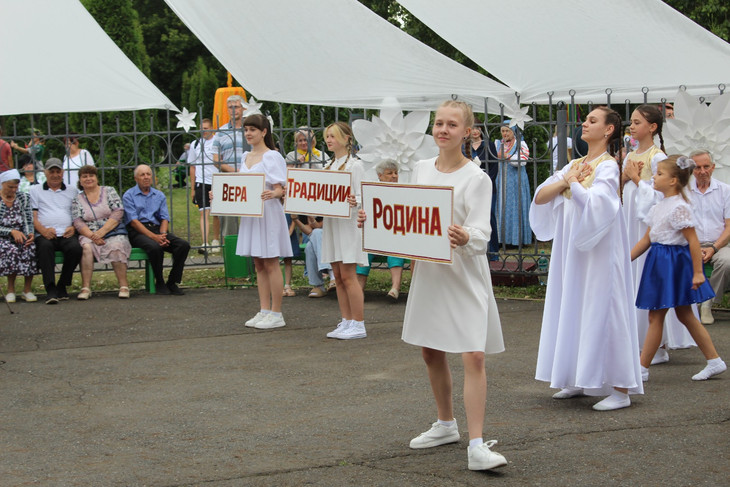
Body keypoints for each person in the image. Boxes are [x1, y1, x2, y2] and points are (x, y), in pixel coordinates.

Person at [359, 100, 506, 471]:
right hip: (430, 274)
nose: (443, 129)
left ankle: (476, 444)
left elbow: (482, 233)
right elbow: (408, 215)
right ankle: (445, 424)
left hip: (465, 274)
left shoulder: (477, 177)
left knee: (473, 354)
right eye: (439, 123)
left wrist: (465, 236)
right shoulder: (421, 168)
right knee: (431, 352)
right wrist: (373, 218)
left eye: (452, 124)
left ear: (467, 131)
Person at [530, 107, 643, 411]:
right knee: (575, 304)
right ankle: (576, 378)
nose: (585, 123)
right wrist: (567, 180)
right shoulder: (575, 164)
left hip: (601, 250)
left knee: (606, 307)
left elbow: (602, 206)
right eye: (586, 119)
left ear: (608, 130)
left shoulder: (607, 167)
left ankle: (621, 389)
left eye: (592, 120)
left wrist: (573, 184)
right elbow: (541, 196)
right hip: (574, 249)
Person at [631, 155, 726, 381]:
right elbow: (647, 238)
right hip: (659, 262)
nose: (654, 177)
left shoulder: (680, 208)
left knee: (658, 315)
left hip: (673, 264)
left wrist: (697, 272)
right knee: (680, 315)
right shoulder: (659, 207)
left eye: (660, 174)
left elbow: (693, 242)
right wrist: (626, 260)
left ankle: (642, 368)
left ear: (674, 180)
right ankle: (714, 360)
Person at [621, 105, 695, 362]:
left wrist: (637, 179)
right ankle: (640, 338)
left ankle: (657, 343)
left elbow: (660, 196)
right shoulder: (630, 154)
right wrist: (624, 179)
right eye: (631, 122)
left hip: (647, 222)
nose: (632, 126)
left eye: (637, 122)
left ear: (652, 127)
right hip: (629, 218)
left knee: (645, 274)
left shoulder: (656, 156)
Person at [228, 114, 292, 330]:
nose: (248, 133)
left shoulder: (272, 156)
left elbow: (282, 187)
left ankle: (277, 312)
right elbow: (241, 186)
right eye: (246, 129)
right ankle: (264, 309)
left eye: (253, 129)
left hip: (268, 214)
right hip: (251, 214)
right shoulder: (245, 156)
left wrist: (274, 194)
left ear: (264, 132)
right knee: (259, 263)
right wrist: (220, 196)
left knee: (271, 262)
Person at [321, 122, 368, 340]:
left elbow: (363, 195)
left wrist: (354, 200)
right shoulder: (328, 166)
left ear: (347, 138)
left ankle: (358, 323)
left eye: (333, 136)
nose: (329, 140)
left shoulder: (355, 166)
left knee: (349, 275)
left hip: (348, 225)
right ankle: (346, 319)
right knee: (337, 275)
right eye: (327, 136)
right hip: (332, 225)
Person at [123, 164, 190, 296]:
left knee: (183, 245)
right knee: (154, 247)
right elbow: (134, 222)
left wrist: (163, 235)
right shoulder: (129, 195)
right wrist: (155, 238)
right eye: (142, 175)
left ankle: (173, 281)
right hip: (138, 231)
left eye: (148, 174)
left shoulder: (159, 195)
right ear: (136, 178)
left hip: (157, 229)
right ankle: (159, 282)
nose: (146, 177)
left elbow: (164, 218)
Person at [71, 165, 131, 300]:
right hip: (89, 234)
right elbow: (78, 221)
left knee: (117, 245)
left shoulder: (109, 191)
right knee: (86, 248)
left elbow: (118, 212)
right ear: (80, 181)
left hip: (112, 230)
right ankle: (85, 287)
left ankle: (123, 285)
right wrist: (92, 235)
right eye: (84, 176)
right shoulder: (77, 199)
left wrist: (101, 232)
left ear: (96, 178)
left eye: (91, 175)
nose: (88, 179)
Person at [30, 158, 82, 304]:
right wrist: (43, 230)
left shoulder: (72, 190)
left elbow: (77, 213)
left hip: (66, 233)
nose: (55, 175)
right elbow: (33, 217)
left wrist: (73, 227)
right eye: (51, 171)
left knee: (76, 249)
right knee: (45, 248)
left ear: (62, 173)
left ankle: (62, 284)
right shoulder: (35, 190)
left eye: (58, 171)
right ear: (45, 173)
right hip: (45, 233)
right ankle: (50, 288)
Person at [689, 150, 730, 325]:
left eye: (706, 166)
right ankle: (685, 306)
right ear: (692, 170)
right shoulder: (684, 191)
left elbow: (729, 227)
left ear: (713, 167)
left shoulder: (725, 190)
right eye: (698, 167)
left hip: (718, 244)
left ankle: (707, 303)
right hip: (691, 244)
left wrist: (714, 248)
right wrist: (695, 247)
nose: (702, 171)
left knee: (727, 261)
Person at [355, 160, 404, 301]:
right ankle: (359, 290)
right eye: (390, 173)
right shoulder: (371, 192)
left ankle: (395, 288)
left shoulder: (403, 192)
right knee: (365, 250)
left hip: (394, 236)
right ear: (380, 175)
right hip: (375, 237)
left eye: (396, 173)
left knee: (396, 249)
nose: (394, 176)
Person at [213, 95, 251, 237]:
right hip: (229, 180)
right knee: (229, 220)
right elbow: (216, 159)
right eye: (230, 107)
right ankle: (232, 253)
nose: (234, 110)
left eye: (237, 106)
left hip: (250, 178)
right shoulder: (221, 132)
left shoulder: (250, 129)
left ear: (243, 109)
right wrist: (234, 170)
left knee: (252, 216)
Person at [0, 169, 37, 303]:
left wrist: (30, 233)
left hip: (21, 234)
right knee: (11, 250)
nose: (14, 190)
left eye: (16, 187)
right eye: (10, 187)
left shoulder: (23, 197)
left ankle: (27, 290)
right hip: (3, 237)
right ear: (2, 184)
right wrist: (10, 231)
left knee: (29, 248)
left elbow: (28, 219)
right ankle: (11, 290)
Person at [495, 124, 532, 246]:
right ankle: (502, 239)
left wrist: (507, 156)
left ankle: (517, 240)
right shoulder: (498, 144)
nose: (505, 133)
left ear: (513, 132)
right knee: (501, 206)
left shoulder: (521, 144)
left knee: (516, 206)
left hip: (516, 180)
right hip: (501, 179)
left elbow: (522, 161)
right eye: (503, 131)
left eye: (507, 131)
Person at [188, 119, 220, 254]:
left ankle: (216, 240)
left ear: (212, 128)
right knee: (204, 211)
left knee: (216, 212)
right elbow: (192, 166)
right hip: (201, 181)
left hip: (215, 180)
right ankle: (205, 242)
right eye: (202, 129)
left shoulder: (217, 142)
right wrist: (193, 188)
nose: (204, 131)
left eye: (206, 128)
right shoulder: (195, 144)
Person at [467, 125, 499, 259]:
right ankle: (476, 252)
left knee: (489, 216)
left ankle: (493, 252)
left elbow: (494, 166)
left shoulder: (489, 145)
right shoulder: (465, 146)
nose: (475, 131)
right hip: (470, 187)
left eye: (477, 128)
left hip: (487, 186)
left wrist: (486, 182)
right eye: (472, 128)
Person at [294, 215, 332, 297]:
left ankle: (332, 276)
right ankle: (319, 286)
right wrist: (295, 219)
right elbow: (309, 231)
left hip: (334, 238)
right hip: (318, 242)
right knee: (308, 246)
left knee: (317, 232)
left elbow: (320, 226)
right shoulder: (303, 212)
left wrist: (311, 218)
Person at [282, 213, 300, 297]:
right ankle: (278, 286)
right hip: (275, 232)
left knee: (288, 259)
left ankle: (287, 285)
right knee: (273, 260)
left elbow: (294, 218)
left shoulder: (289, 202)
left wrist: (289, 232)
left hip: (288, 232)